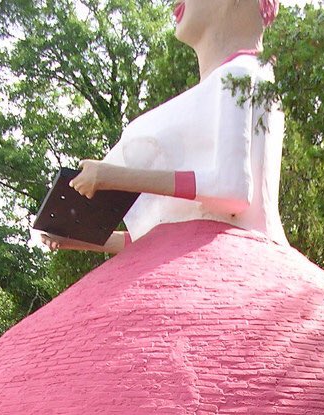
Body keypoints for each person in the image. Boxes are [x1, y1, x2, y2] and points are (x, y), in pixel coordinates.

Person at [40, 0, 285, 256]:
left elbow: (232, 189)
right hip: (189, 259)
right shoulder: (233, 79)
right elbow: (156, 239)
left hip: (235, 259)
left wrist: (112, 178)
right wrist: (79, 238)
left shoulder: (238, 77)